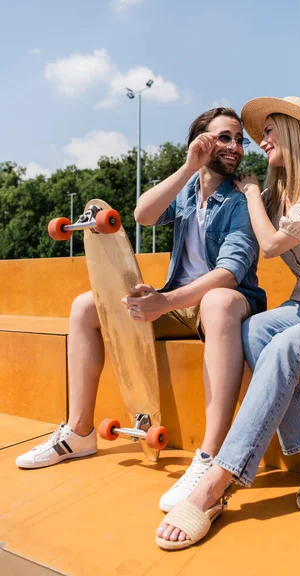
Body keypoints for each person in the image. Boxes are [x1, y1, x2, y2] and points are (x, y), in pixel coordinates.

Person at [16, 107, 266, 513]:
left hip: (226, 302)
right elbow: (143, 215)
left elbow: (229, 274)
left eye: (240, 140)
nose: (235, 147)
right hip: (178, 300)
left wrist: (162, 302)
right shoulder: (187, 190)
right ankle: (79, 432)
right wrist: (189, 167)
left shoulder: (242, 198)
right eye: (224, 137)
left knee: (218, 301)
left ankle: (211, 458)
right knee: (85, 306)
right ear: (200, 141)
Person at [155, 96, 300, 550]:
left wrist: (253, 192)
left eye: (271, 131)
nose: (262, 140)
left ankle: (216, 483)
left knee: (283, 347)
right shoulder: (278, 192)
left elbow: (273, 243)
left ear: (296, 132)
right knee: (254, 330)